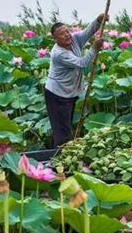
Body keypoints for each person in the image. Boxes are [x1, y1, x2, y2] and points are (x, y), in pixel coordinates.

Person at [44, 14, 105, 148]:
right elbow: (82, 63)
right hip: (57, 95)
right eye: (62, 34)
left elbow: (88, 32)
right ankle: (60, 160)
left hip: (69, 93)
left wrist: (99, 20)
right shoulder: (59, 53)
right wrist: (94, 48)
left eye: (67, 31)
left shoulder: (74, 39)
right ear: (55, 39)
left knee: (63, 127)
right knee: (63, 132)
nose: (67, 35)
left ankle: (54, 155)